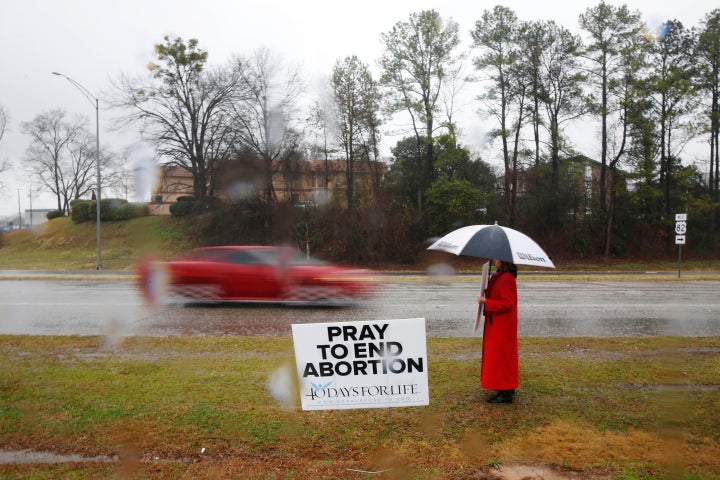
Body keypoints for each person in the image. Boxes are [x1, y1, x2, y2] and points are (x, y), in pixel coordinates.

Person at [477, 259, 518, 404]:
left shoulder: (506, 278)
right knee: (500, 356)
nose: (495, 260)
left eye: (498, 258)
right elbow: (496, 294)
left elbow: (507, 303)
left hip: (502, 325)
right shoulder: (501, 276)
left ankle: (505, 392)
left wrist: (487, 302)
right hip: (498, 324)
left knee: (501, 356)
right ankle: (506, 387)